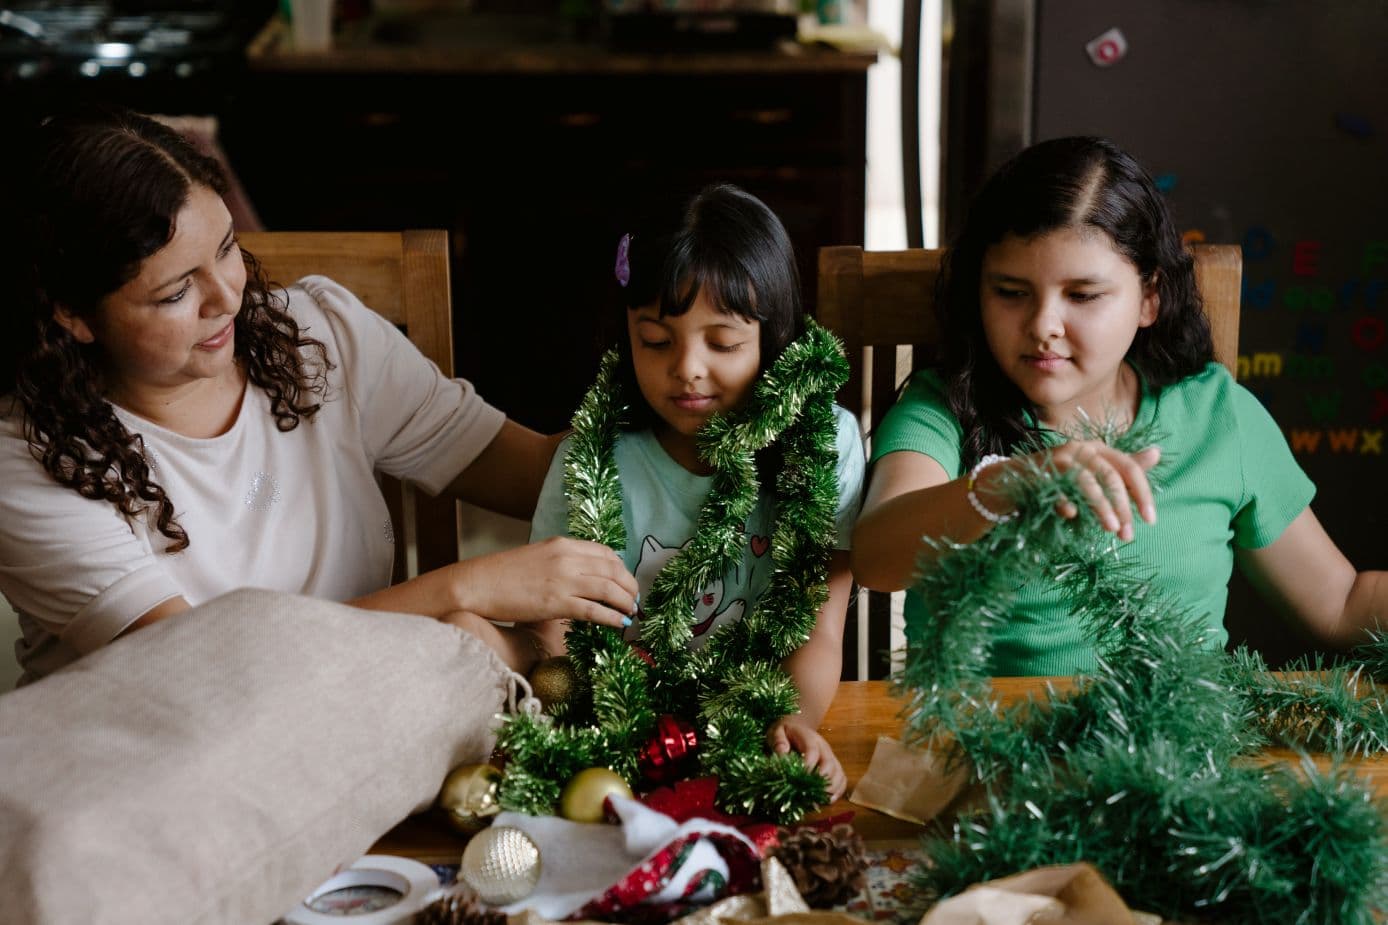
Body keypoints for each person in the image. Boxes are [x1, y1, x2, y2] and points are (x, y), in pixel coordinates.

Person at [0, 104, 639, 686]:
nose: (228, 296)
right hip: (154, 770)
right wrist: (465, 592)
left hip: (372, 707)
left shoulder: (316, 334)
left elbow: (531, 471)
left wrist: (698, 428)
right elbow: (201, 666)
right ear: (73, 315)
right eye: (175, 293)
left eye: (226, 249)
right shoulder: (28, 458)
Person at [852, 136, 1386, 677]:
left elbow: (1340, 603)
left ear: (1150, 297)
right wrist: (1006, 484)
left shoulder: (1216, 415)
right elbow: (876, 558)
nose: (1043, 326)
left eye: (1083, 295)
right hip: (984, 745)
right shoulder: (945, 408)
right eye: (1011, 292)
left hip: (1178, 741)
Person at [527, 184, 865, 799]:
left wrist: (793, 723)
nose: (687, 368)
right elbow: (552, 626)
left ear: (773, 336)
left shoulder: (822, 445)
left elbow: (821, 624)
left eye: (724, 343)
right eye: (656, 340)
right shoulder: (595, 455)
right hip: (623, 740)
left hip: (758, 728)